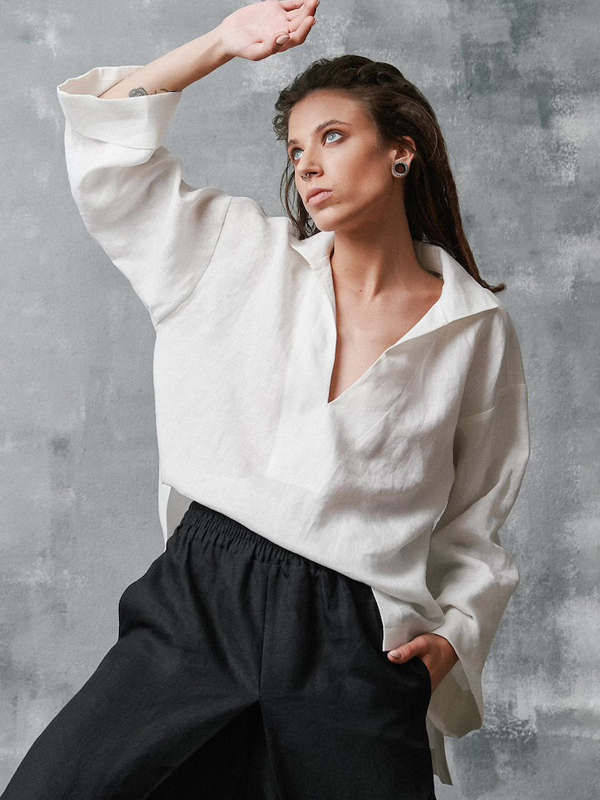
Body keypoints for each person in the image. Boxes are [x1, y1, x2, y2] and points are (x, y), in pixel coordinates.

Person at [2, 0, 531, 798]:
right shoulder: (234, 255)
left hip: (354, 640)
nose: (308, 165)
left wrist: (455, 635)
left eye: (333, 136)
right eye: (296, 149)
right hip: (202, 602)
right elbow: (106, 148)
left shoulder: (472, 328)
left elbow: (476, 516)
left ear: (401, 151)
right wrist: (221, 43)